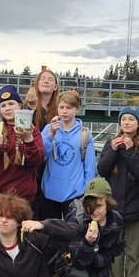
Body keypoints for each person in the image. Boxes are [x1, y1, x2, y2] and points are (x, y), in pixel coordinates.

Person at [0, 84, 44, 235]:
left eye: (11, 103)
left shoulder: (32, 130)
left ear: (20, 105)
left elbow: (36, 161)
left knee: (22, 242)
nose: (7, 108)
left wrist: (29, 140)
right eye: (3, 105)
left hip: (22, 198)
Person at [97, 106, 139, 277]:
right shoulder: (112, 143)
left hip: (136, 207)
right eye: (124, 119)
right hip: (115, 206)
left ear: (138, 124)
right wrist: (113, 150)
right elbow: (101, 169)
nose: (126, 122)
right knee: (114, 250)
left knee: (133, 251)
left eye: (131, 119)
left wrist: (128, 152)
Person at [40, 90, 96, 219]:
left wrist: (88, 193)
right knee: (50, 234)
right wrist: (50, 136)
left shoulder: (85, 134)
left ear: (77, 109)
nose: (64, 111)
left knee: (73, 233)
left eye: (69, 108)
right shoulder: (49, 128)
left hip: (75, 193)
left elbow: (90, 167)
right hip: (50, 191)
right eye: (61, 107)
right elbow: (41, 156)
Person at [31, 69, 60, 218]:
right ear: (37, 84)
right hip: (33, 166)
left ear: (55, 86)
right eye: (43, 79)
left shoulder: (60, 111)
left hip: (52, 165)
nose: (46, 81)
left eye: (50, 79)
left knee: (50, 212)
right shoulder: (28, 110)